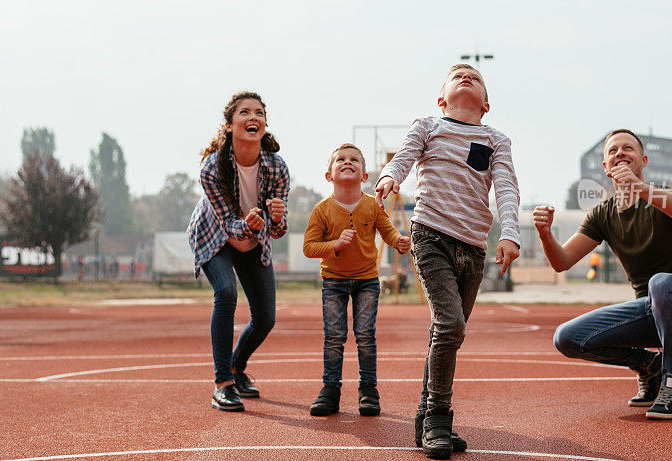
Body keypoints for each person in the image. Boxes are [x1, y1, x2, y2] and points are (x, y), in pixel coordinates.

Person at [375, 64, 520, 459]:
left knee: (447, 332)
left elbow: (506, 187)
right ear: (442, 98)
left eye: (474, 76)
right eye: (457, 75)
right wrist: (391, 177)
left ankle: (424, 417)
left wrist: (510, 233)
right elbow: (403, 158)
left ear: (486, 104)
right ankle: (439, 417)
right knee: (451, 323)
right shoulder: (428, 126)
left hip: (473, 247)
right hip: (431, 235)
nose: (466, 76)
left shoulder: (496, 139)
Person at [533, 129, 672, 420]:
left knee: (662, 281)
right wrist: (545, 234)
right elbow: (562, 262)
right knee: (567, 337)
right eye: (613, 151)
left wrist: (641, 189)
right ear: (606, 168)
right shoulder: (602, 214)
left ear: (643, 160)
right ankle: (650, 366)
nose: (620, 153)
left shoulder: (662, 198)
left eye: (628, 149)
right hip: (653, 312)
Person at [188, 91, 289, 412]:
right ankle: (223, 384)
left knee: (265, 318)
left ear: (264, 125)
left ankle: (236, 366)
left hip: (253, 239)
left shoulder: (277, 168)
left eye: (259, 113)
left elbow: (279, 228)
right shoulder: (212, 169)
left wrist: (276, 218)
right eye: (245, 112)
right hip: (215, 237)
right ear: (230, 125)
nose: (253, 117)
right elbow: (228, 225)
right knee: (226, 292)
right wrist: (249, 223)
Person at [303, 143, 411, 417]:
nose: (347, 162)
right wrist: (335, 245)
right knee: (334, 337)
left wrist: (398, 240)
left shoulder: (372, 206)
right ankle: (330, 390)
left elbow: (387, 231)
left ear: (364, 176)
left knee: (365, 335)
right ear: (329, 175)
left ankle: (368, 391)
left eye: (354, 160)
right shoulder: (322, 209)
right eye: (340, 159)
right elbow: (309, 246)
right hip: (333, 281)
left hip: (366, 280)